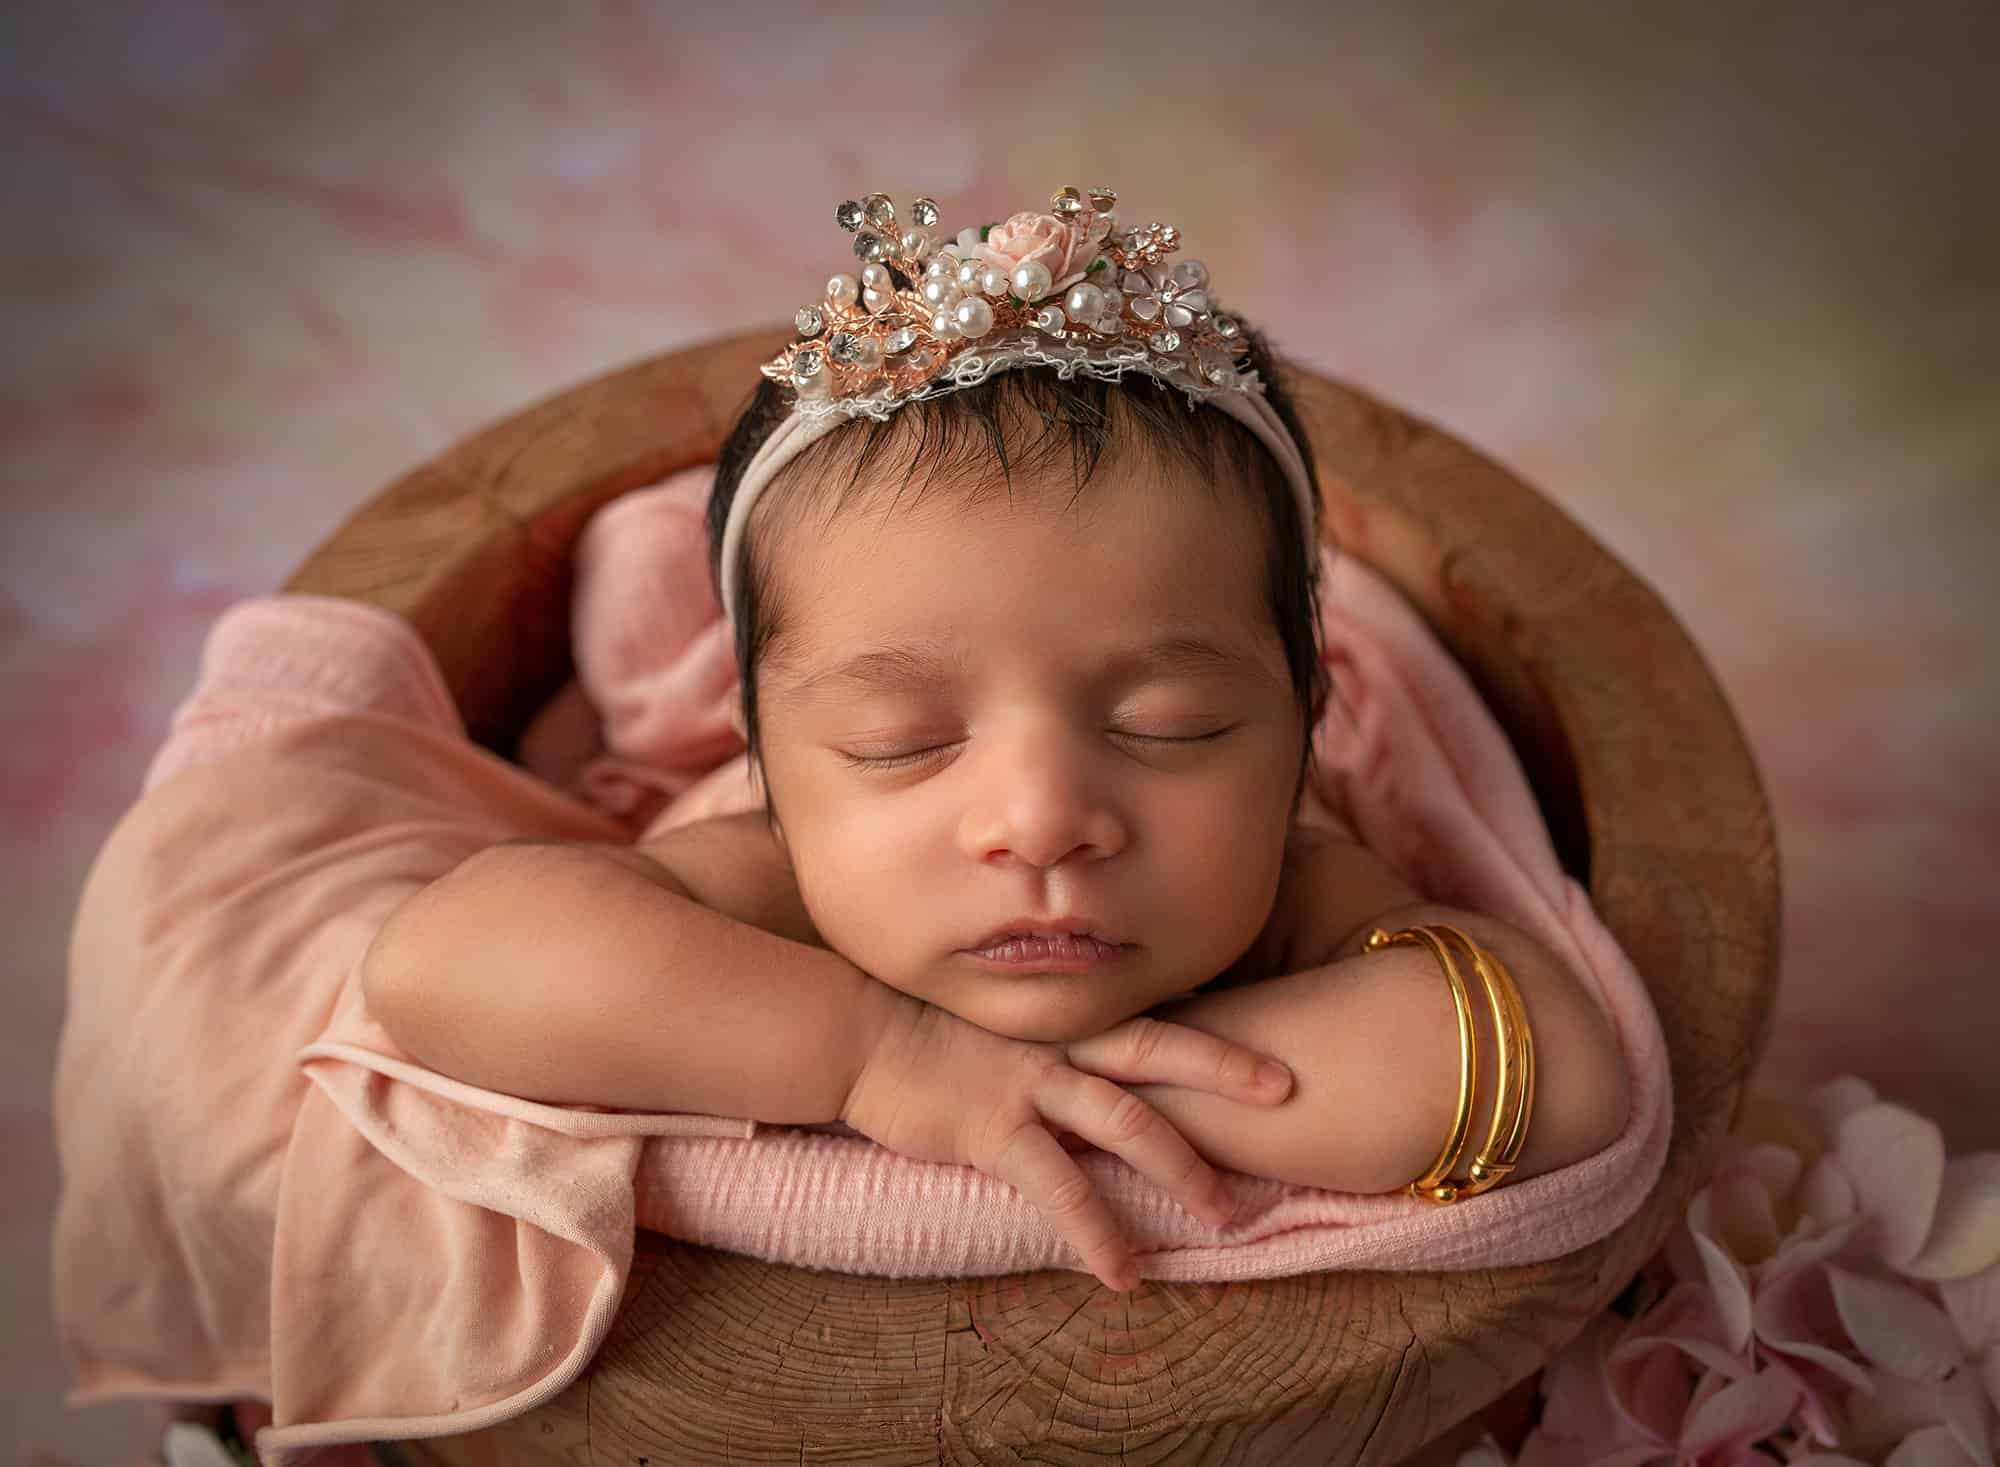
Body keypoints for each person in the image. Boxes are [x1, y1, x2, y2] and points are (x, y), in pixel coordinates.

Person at [361, 185, 1630, 1294]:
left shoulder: (1292, 888)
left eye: (1169, 725)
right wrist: (873, 1052)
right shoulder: (772, 890)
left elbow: (1561, 1072)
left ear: (1303, 726)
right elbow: (441, 962)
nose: (1038, 820)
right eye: (898, 742)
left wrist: (1071, 1081)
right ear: (763, 759)